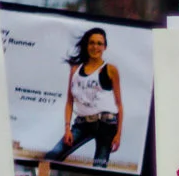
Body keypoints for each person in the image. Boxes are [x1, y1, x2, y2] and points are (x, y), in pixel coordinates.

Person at [45, 27, 124, 167]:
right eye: (92, 43)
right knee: (52, 155)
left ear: (105, 47)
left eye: (99, 43)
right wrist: (67, 128)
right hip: (82, 124)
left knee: (99, 165)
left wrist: (118, 134)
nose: (95, 47)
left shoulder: (110, 70)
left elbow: (119, 104)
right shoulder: (75, 69)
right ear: (87, 45)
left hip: (106, 124)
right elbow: (69, 102)